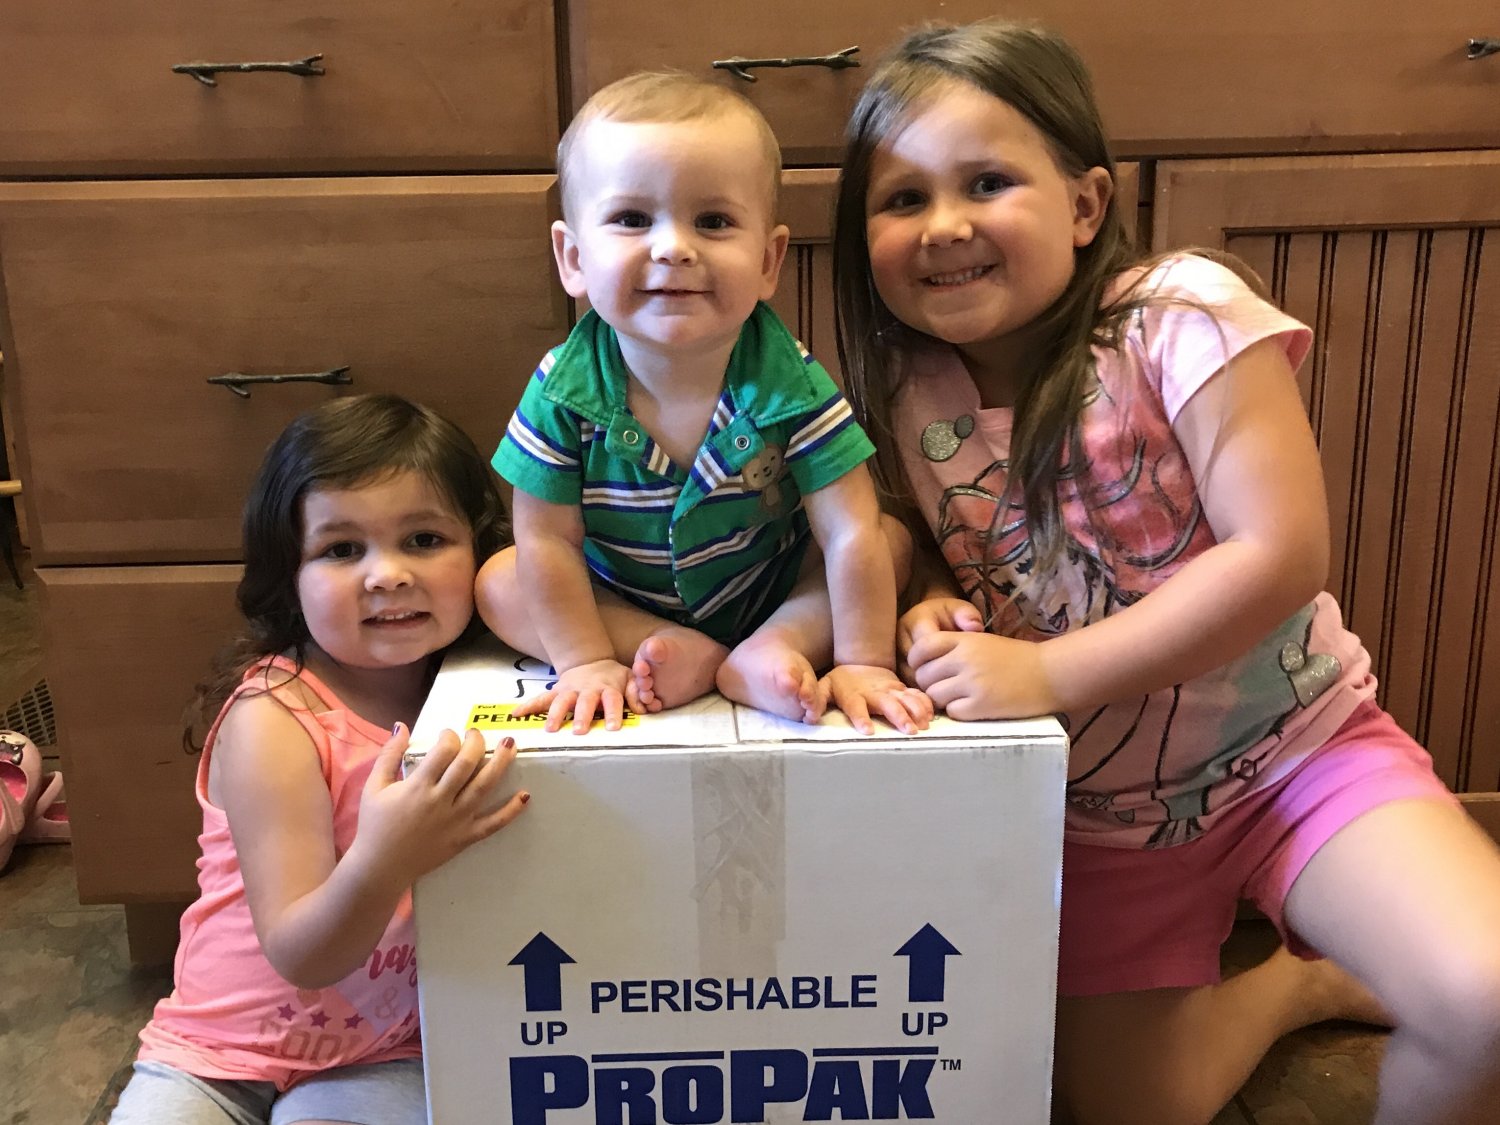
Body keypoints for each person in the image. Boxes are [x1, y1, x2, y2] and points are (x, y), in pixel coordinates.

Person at [831, 20, 1500, 1125]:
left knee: (1484, 999)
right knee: (1141, 1103)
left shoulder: (1179, 314)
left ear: (1086, 205)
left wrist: (1046, 678)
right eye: (900, 200)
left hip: (1298, 753)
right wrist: (919, 603)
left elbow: (1280, 554)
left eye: (986, 182)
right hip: (1100, 814)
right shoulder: (904, 385)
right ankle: (1307, 981)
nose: (943, 226)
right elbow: (915, 531)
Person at [110, 394, 531, 1125]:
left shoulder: (480, 692)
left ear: (482, 552)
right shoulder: (274, 717)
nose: (388, 574)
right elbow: (300, 953)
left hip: (391, 1049)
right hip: (217, 1054)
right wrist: (386, 856)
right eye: (342, 550)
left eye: (425, 539)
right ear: (288, 575)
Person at [477, 71, 932, 737]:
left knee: (888, 542)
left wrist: (864, 660)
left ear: (770, 260)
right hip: (619, 599)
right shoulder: (561, 389)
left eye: (713, 221)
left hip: (768, 590)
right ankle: (661, 648)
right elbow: (547, 538)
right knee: (499, 582)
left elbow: (848, 528)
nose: (674, 246)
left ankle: (774, 647)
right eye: (632, 219)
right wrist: (582, 660)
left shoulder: (793, 386)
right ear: (571, 257)